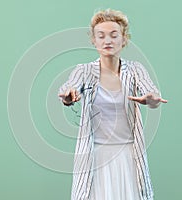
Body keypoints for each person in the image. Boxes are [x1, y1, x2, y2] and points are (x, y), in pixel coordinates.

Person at [58, 8, 167, 200]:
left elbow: (151, 92)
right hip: (95, 156)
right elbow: (69, 87)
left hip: (128, 156)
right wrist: (68, 96)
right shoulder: (83, 71)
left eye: (114, 35)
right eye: (101, 36)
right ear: (94, 40)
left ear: (124, 39)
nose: (107, 41)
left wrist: (151, 99)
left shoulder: (134, 69)